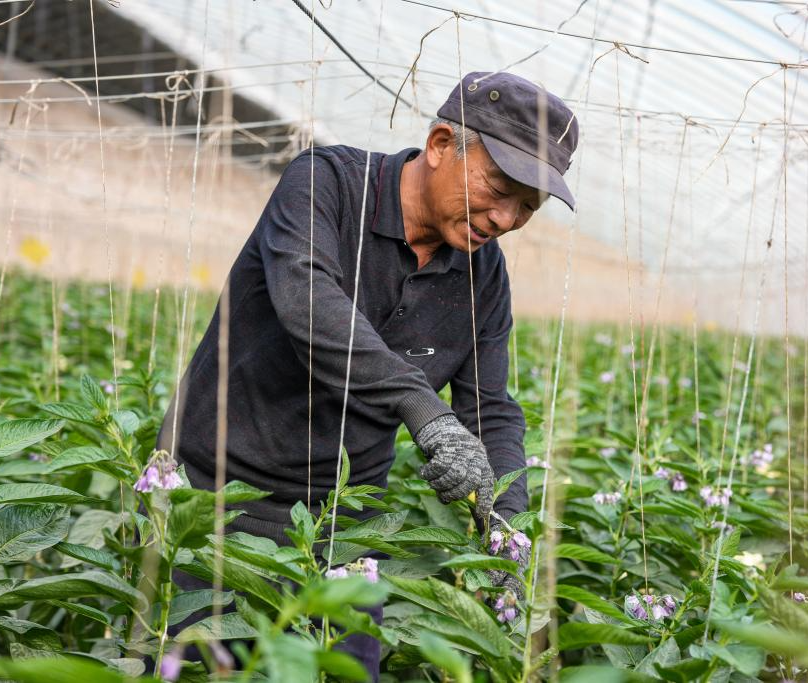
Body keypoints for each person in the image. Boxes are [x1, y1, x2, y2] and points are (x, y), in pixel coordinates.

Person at [155, 70, 580, 679]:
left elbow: (490, 409)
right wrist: (424, 412)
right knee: (197, 665)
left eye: (527, 208)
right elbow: (309, 302)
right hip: (218, 493)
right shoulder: (326, 184)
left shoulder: (483, 275)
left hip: (344, 520)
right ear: (440, 145)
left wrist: (506, 522)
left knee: (348, 669)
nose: (506, 219)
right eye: (499, 186)